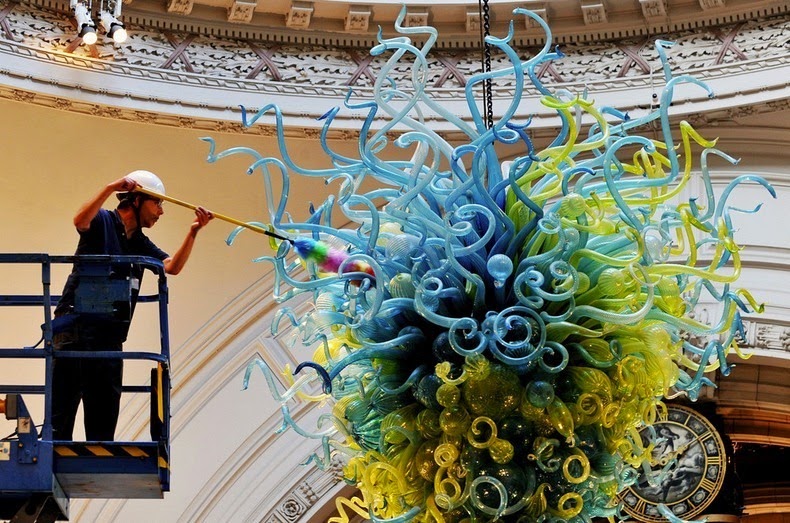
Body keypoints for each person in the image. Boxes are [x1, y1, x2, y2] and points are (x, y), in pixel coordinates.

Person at [51, 170, 213, 441]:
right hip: (75, 331)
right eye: (157, 203)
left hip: (108, 339)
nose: (161, 212)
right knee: (60, 418)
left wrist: (193, 232)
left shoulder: (139, 242)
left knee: (103, 424)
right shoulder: (103, 220)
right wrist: (109, 186)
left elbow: (171, 267)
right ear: (136, 200)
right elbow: (80, 220)